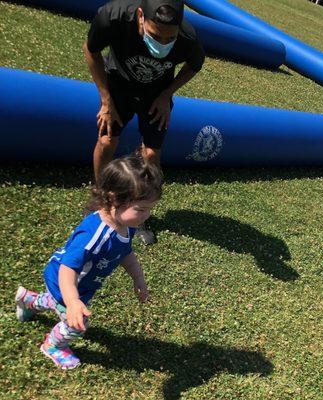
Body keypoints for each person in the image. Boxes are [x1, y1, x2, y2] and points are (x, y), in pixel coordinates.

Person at [14, 155, 163, 369]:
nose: (147, 216)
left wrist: (138, 278)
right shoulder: (94, 234)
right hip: (65, 282)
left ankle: (28, 300)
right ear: (113, 199)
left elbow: (125, 252)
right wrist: (73, 301)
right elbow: (68, 268)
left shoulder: (126, 225)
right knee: (78, 323)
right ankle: (53, 346)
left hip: (79, 285)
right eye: (141, 209)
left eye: (150, 209)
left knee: (58, 303)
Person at [83, 0, 205, 243]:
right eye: (154, 35)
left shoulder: (188, 37)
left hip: (155, 95)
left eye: (168, 39)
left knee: (151, 154)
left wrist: (166, 95)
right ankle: (101, 201)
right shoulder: (113, 17)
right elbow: (91, 50)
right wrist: (106, 101)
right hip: (118, 85)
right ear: (140, 16)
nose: (160, 44)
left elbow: (195, 65)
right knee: (107, 140)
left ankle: (138, 211)